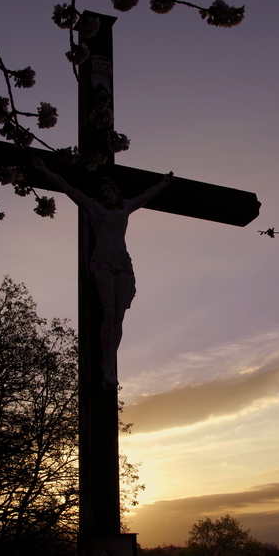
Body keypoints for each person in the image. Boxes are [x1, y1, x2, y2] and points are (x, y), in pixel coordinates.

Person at [33, 157, 173, 387]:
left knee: (119, 314)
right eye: (102, 192)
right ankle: (107, 363)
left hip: (123, 261)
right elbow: (66, 187)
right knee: (109, 311)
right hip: (102, 259)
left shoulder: (126, 207)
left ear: (116, 193)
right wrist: (43, 168)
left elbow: (147, 195)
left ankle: (110, 360)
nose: (106, 194)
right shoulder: (93, 207)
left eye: (109, 190)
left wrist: (163, 183)